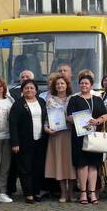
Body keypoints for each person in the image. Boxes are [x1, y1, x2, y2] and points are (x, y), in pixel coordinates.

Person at [68, 71, 107, 204]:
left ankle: (92, 193)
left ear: (91, 85)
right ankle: (83, 193)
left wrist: (97, 121)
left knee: (93, 165)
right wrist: (80, 119)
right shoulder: (74, 99)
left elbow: (105, 115)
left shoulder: (97, 99)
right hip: (79, 136)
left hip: (94, 137)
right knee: (82, 165)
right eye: (82, 83)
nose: (84, 85)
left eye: (86, 83)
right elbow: (68, 117)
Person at [9, 79, 48, 203]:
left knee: (39, 167)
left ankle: (36, 191)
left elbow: (46, 118)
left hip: (40, 140)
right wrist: (15, 142)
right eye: (26, 88)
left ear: (36, 90)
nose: (29, 90)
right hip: (24, 141)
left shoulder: (41, 102)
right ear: (22, 90)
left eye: (31, 88)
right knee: (26, 168)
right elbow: (13, 124)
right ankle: (28, 193)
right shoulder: (18, 104)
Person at [43, 73, 76, 202]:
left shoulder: (73, 99)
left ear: (67, 85)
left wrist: (72, 119)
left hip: (70, 134)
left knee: (71, 164)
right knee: (60, 164)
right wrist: (46, 129)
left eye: (62, 83)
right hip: (56, 135)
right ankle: (63, 193)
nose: (60, 86)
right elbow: (46, 119)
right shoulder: (50, 100)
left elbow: (78, 116)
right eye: (57, 84)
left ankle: (71, 193)